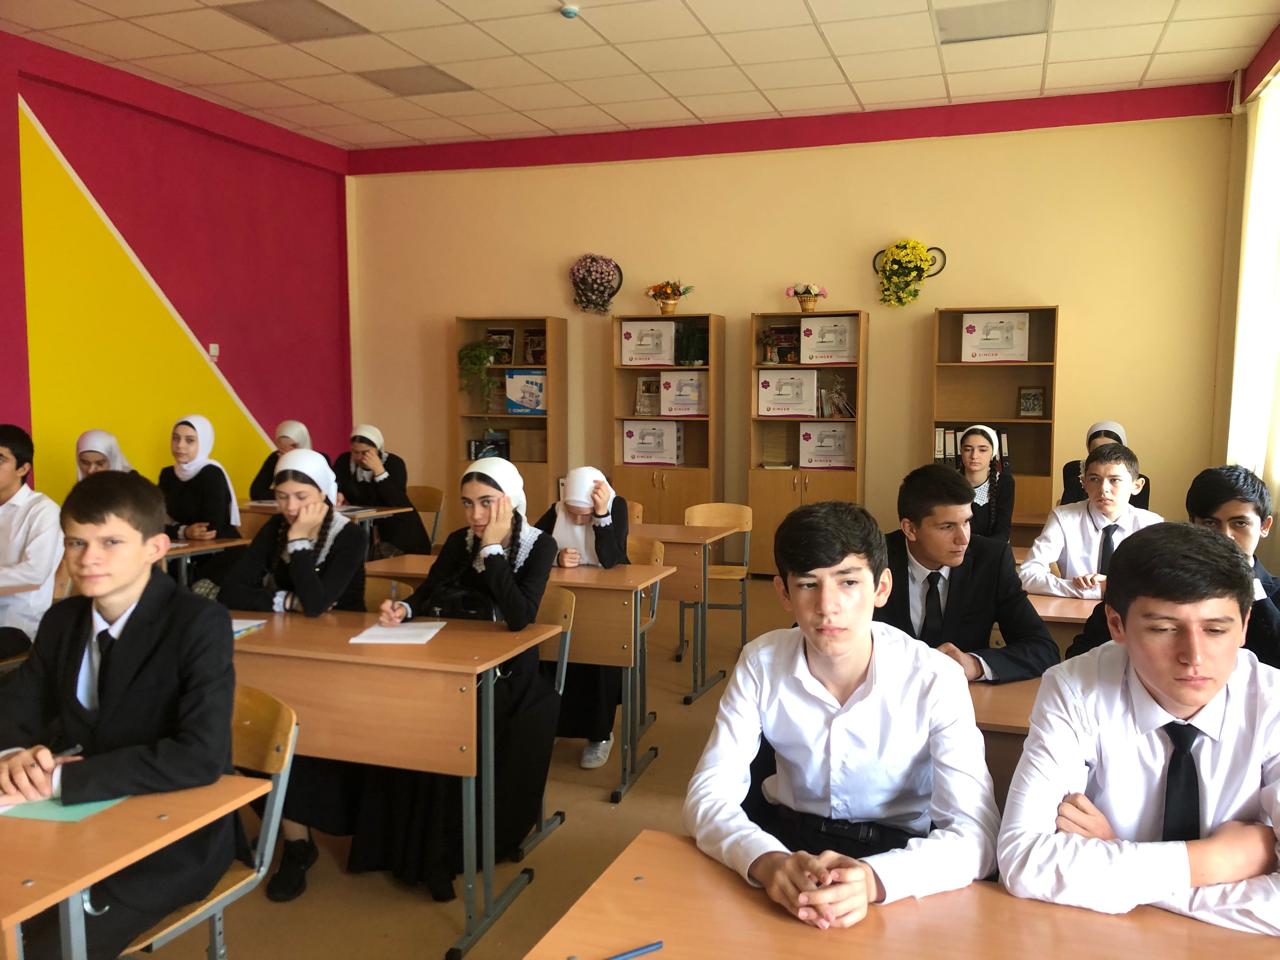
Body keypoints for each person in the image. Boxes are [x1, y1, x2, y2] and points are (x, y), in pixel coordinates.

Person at [684, 500, 998, 930]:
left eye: (848, 582)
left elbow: (977, 834)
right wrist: (765, 859)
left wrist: (874, 879)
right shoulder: (760, 662)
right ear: (783, 593)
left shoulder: (934, 678)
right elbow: (707, 796)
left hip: (899, 857)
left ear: (881, 588)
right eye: (807, 584)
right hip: (787, 847)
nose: (827, 606)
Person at [292, 458, 556, 902]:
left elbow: (519, 616)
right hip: (449, 660)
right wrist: (406, 609)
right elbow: (431, 591)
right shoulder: (457, 541)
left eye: (487, 503)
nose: (475, 515)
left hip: (507, 673)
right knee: (402, 716)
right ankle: (396, 845)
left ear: (510, 501)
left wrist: (492, 550)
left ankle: (441, 853)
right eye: (467, 503)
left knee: (447, 729)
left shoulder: (539, 544)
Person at [997, 523, 1280, 935]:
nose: (1194, 656)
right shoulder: (1075, 689)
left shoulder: (1272, 702)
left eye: (1216, 629)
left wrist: (1117, 855)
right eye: (1163, 629)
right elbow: (1024, 860)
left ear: (1245, 624)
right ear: (1116, 624)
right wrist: (1215, 861)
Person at [0, 471, 236, 959]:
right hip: (75, 821)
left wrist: (61, 780)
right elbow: (17, 707)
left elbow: (201, 756)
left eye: (110, 542)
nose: (88, 558)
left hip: (171, 832)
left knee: (46, 949)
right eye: (76, 542)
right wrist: (13, 755)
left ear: (155, 548)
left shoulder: (198, 622)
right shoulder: (62, 620)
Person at [217, 449, 367, 901]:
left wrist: (300, 544)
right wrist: (286, 601)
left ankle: (306, 835)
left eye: (302, 497)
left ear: (326, 495)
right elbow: (231, 589)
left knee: (308, 741)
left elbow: (318, 604)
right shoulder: (273, 529)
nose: (291, 508)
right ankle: (295, 841)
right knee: (263, 730)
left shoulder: (349, 536)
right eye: (282, 497)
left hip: (340, 658)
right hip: (283, 649)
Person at [1067, 465, 1280, 668]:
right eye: (1210, 523)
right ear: (1193, 524)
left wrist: (1250, 585)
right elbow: (1082, 654)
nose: (1225, 536)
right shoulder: (1146, 581)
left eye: (1240, 523)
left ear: (1264, 526)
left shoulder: (1274, 596)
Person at [875, 464, 1058, 683]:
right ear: (910, 529)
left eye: (967, 522)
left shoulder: (991, 560)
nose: (963, 539)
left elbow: (1043, 649)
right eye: (947, 527)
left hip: (965, 696)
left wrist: (975, 665)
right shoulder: (871, 561)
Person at [533, 466, 629, 768]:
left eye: (583, 515)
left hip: (605, 601)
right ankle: (555, 726)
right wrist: (555, 557)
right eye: (572, 514)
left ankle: (600, 734)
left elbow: (612, 559)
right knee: (551, 653)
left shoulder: (616, 506)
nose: (576, 521)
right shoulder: (556, 510)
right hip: (566, 596)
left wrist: (600, 516)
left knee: (597, 656)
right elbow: (532, 546)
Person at [1019, 443, 1161, 599]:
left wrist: (1113, 587)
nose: (1103, 489)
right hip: (1075, 607)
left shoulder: (1151, 525)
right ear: (1084, 483)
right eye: (1094, 479)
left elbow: (1163, 583)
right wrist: (1089, 590)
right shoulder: (1064, 518)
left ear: (1137, 486)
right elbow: (1027, 575)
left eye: (1114, 480)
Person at [0, 424, 64, 658]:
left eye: (0, 460)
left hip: (19, 625)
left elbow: (34, 573)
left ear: (23, 468)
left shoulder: (42, 510)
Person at [333, 424, 430, 556]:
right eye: (355, 452)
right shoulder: (344, 461)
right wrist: (338, 494)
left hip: (397, 527)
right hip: (362, 525)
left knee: (376, 554)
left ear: (377, 449)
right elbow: (336, 484)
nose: (359, 457)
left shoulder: (394, 463)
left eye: (365, 452)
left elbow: (396, 501)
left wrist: (379, 471)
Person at [156, 415, 241, 543]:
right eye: (175, 438)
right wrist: (184, 532)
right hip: (182, 545)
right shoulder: (167, 474)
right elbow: (153, 522)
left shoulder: (211, 474)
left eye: (189, 440)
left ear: (204, 443)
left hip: (219, 546)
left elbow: (210, 530)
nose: (180, 445)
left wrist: (175, 529)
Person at [1060, 420, 1152, 510]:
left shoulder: (1133, 483)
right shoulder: (1076, 481)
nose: (1104, 456)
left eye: (1112, 450)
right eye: (1097, 451)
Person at [958, 425, 1013, 542]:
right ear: (961, 451)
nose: (974, 456)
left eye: (982, 450)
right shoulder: (949, 482)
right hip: (957, 547)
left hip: (991, 548)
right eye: (968, 449)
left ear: (993, 453)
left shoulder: (1004, 482)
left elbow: (1003, 530)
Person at [248, 420, 318, 501]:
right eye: (282, 447)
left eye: (293, 446)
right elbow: (256, 492)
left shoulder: (318, 460)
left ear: (303, 443)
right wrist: (281, 466)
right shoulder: (275, 458)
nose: (287, 451)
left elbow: (317, 493)